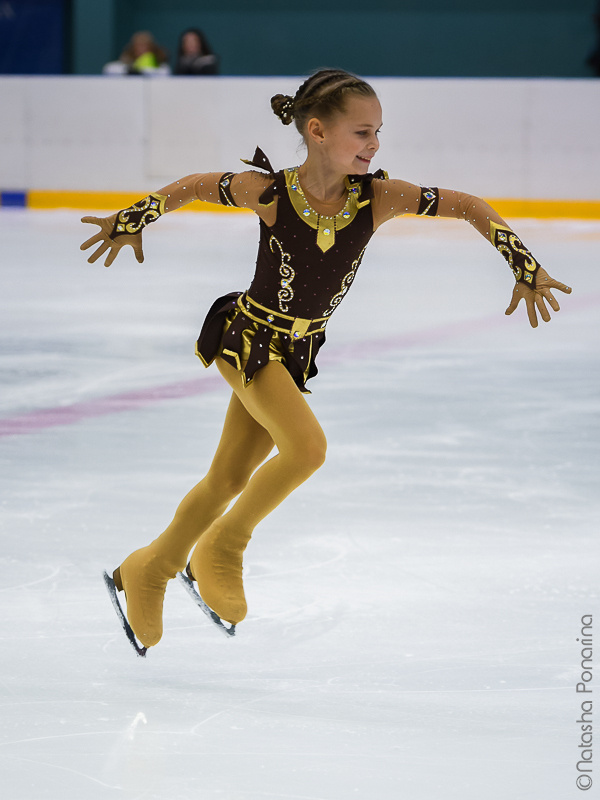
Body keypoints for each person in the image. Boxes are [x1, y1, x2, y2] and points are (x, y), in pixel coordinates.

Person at [80, 69, 572, 653]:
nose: (375, 144)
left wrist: (522, 262)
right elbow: (192, 186)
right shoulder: (271, 192)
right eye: (363, 132)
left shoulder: (377, 198)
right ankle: (224, 544)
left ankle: (150, 568)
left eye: (379, 133)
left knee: (229, 477)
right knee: (307, 449)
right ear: (317, 131)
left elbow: (468, 205)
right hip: (247, 341)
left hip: (295, 352)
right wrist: (130, 221)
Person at [102, 31, 170, 76]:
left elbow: (165, 72)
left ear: (152, 48)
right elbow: (108, 68)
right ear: (133, 48)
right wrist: (131, 69)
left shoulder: (161, 66)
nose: (141, 50)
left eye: (145, 46)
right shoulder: (126, 63)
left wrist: (142, 70)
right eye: (138, 46)